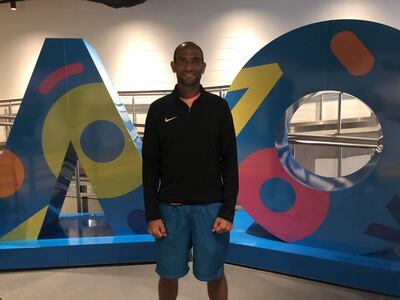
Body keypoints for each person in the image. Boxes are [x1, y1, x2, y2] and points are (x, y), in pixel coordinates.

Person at [142, 41, 238, 300]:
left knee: (215, 272)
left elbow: (229, 162)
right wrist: (152, 214)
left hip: (211, 209)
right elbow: (149, 166)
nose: (188, 66)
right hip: (169, 209)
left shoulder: (218, 108)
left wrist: (227, 211)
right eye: (182, 60)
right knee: (168, 273)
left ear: (203, 67)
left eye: (195, 60)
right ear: (173, 66)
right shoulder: (159, 109)